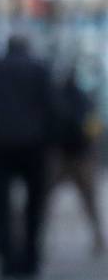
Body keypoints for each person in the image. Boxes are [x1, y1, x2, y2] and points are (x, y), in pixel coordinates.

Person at [0, 36, 59, 280]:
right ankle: (30, 258)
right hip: (32, 147)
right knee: (34, 207)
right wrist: (46, 138)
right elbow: (54, 109)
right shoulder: (38, 71)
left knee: (1, 206)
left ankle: (7, 258)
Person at [49, 60, 105, 257]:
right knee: (90, 202)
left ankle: (35, 239)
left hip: (64, 155)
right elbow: (94, 126)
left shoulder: (58, 97)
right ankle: (98, 239)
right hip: (80, 155)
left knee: (45, 200)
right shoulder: (83, 99)